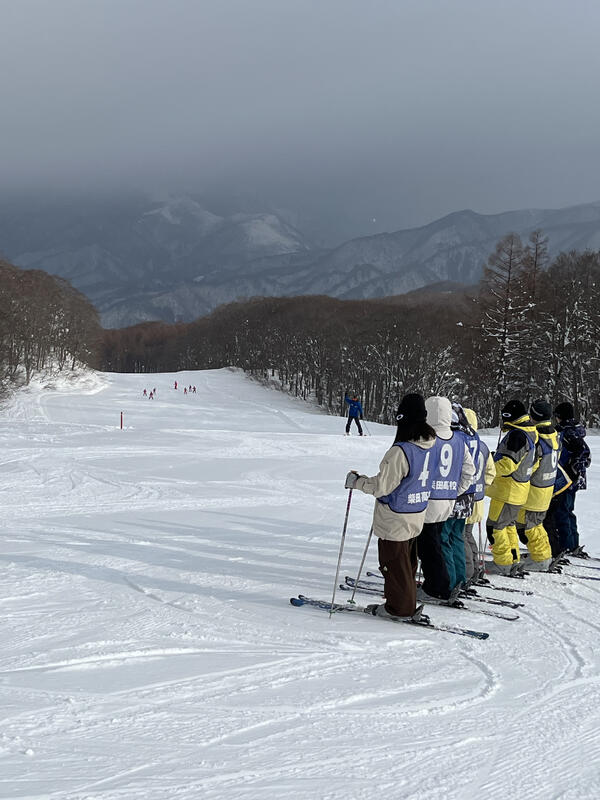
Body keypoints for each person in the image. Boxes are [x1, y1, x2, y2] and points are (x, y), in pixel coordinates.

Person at [344, 393, 437, 620]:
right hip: (416, 511)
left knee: (393, 563)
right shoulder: (430, 444)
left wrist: (358, 482)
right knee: (406, 562)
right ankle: (402, 601)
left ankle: (400, 608)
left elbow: (382, 487)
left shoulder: (401, 450)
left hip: (395, 515)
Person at [416, 396, 475, 604]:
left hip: (427, 501)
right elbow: (469, 471)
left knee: (428, 548)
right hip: (447, 502)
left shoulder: (425, 438)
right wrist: (454, 491)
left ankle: (436, 587)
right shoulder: (459, 439)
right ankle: (441, 583)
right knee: (439, 544)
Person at [485, 400, 538, 576]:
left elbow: (507, 464)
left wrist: (488, 468)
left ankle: (502, 563)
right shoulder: (530, 432)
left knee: (495, 527)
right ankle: (513, 558)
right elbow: (533, 462)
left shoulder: (517, 435)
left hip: (507, 491)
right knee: (508, 526)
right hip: (519, 489)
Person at [517, 400, 559, 571]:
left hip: (535, 489)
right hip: (547, 487)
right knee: (536, 523)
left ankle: (541, 558)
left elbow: (532, 464)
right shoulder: (553, 434)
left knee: (531, 526)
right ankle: (543, 553)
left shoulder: (538, 437)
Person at [548, 401, 592, 557]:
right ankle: (572, 543)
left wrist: (572, 468)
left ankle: (566, 545)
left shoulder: (568, 432)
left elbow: (583, 452)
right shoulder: (572, 430)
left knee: (562, 511)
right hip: (571, 478)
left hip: (567, 479)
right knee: (567, 510)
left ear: (560, 417)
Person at [462, 407, 496, 585]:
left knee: (461, 535)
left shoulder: (462, 443)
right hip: (478, 498)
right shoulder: (482, 446)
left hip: (464, 497)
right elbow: (491, 472)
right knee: (468, 534)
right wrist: (482, 486)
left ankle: (468, 571)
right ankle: (475, 567)